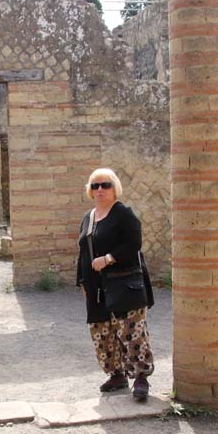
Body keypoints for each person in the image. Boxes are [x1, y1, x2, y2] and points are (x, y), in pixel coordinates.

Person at [75, 168, 154, 401]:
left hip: (123, 282)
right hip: (96, 286)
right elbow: (83, 253)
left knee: (131, 331)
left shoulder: (123, 213)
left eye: (105, 185)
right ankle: (116, 374)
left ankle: (141, 377)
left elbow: (134, 243)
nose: (100, 189)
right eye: (95, 186)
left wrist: (109, 258)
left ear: (115, 188)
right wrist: (82, 281)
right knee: (102, 332)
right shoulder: (88, 218)